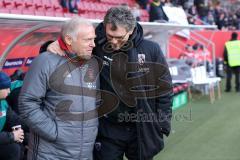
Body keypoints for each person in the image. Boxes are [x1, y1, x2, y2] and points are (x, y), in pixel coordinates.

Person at [48, 6, 173, 160]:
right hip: (108, 128)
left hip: (141, 128)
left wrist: (162, 123)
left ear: (131, 30)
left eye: (119, 37)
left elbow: (164, 89)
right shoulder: (96, 44)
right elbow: (71, 48)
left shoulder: (150, 49)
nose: (113, 41)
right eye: (110, 36)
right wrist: (56, 44)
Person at [18, 17, 99, 160]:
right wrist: (55, 132)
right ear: (69, 40)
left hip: (84, 153)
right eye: (87, 40)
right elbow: (27, 103)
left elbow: (95, 102)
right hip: (50, 154)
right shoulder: (45, 61)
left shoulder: (92, 64)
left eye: (93, 39)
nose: (93, 44)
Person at [0, 71, 24, 160]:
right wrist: (12, 136)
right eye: (6, 88)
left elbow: (15, 120)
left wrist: (35, 125)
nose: (9, 91)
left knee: (17, 147)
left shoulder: (3, 103)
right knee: (13, 150)